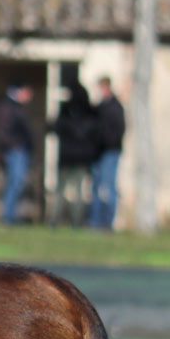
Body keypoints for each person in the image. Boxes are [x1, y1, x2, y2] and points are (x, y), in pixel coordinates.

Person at [52, 83, 99, 227]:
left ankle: (54, 221)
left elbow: (55, 127)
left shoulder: (66, 111)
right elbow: (95, 133)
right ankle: (76, 222)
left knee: (61, 190)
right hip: (81, 157)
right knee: (78, 190)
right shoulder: (90, 112)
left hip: (68, 156)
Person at [0, 79, 34, 224]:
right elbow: (2, 131)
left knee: (17, 183)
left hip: (19, 151)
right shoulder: (8, 107)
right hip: (14, 152)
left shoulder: (18, 107)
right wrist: (15, 146)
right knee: (14, 183)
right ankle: (7, 216)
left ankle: (11, 215)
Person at [89, 76, 125, 230]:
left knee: (109, 187)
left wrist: (107, 143)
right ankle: (95, 221)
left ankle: (108, 222)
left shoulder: (115, 107)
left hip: (110, 152)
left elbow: (118, 131)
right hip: (98, 152)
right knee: (96, 188)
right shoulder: (99, 107)